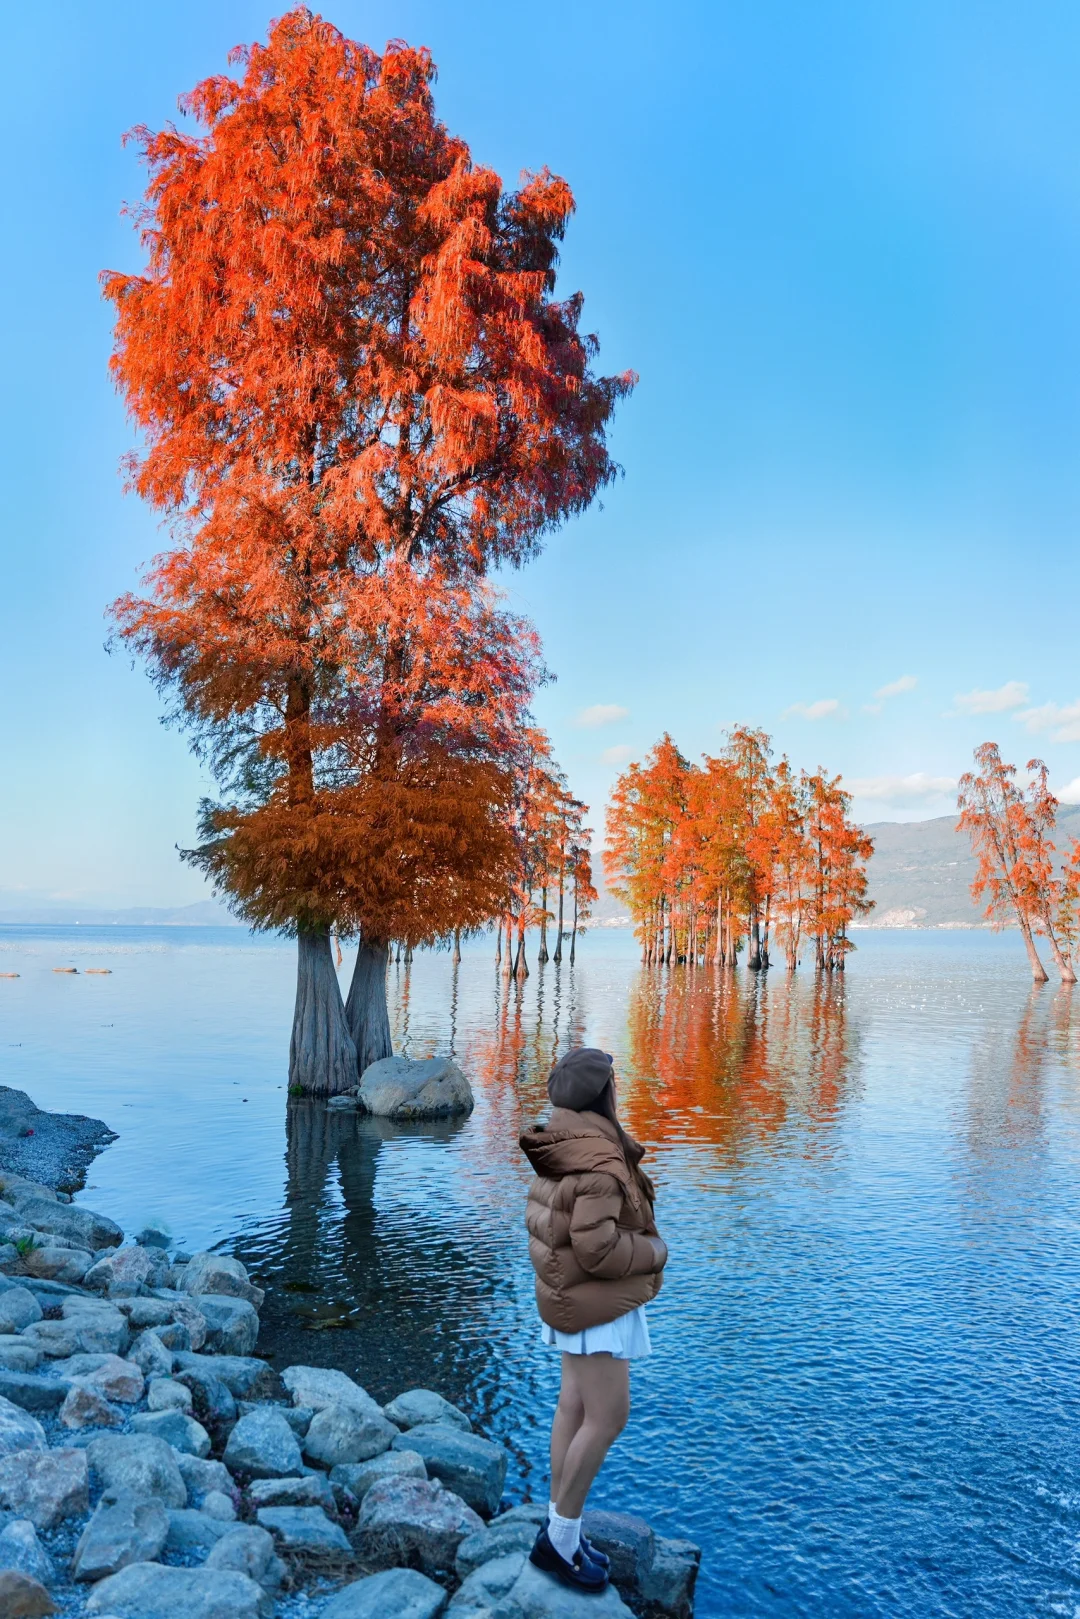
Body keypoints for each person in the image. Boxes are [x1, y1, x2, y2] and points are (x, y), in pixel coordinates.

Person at [519, 1046, 668, 1592]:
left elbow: (553, 1229)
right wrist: (653, 1252)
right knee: (608, 1416)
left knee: (574, 1407)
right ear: (603, 1096)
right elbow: (598, 1250)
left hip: (568, 1298)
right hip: (595, 1304)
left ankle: (563, 1526)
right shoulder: (599, 1163)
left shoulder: (560, 1145)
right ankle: (558, 1540)